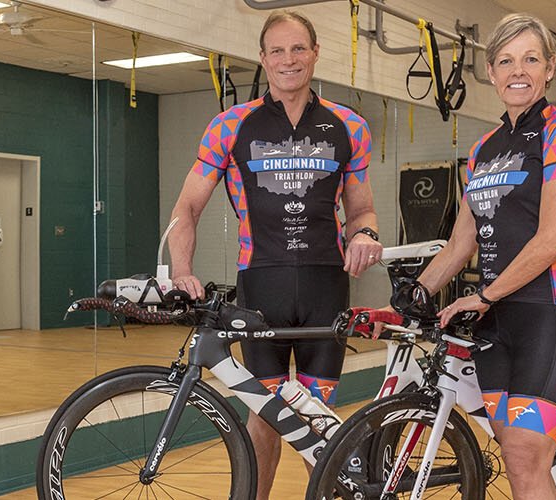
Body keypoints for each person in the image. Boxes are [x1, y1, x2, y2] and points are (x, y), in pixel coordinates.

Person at [166, 11, 381, 498]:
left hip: (327, 287)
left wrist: (364, 235)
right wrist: (181, 271)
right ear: (262, 59)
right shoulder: (230, 126)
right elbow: (186, 208)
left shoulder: (349, 125)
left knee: (318, 421)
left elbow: (362, 207)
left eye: (298, 48)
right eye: (278, 51)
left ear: (315, 53)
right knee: (265, 417)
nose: (289, 60)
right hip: (261, 285)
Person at [400, 13, 556, 500]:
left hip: (552, 311)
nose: (518, 71)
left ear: (550, 68)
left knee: (527, 455)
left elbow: (552, 239)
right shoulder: (485, 149)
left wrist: (483, 293)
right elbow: (460, 243)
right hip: (496, 322)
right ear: (490, 72)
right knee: (514, 456)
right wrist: (415, 293)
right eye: (506, 61)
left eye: (531, 59)